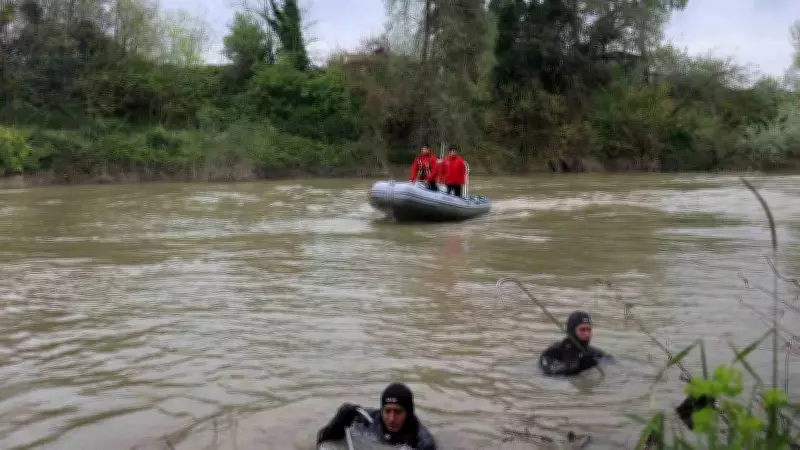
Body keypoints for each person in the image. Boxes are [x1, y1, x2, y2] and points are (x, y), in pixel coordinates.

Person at [316, 382, 437, 449]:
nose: (391, 418)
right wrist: (338, 421)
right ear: (381, 410)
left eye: (398, 412)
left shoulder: (422, 442)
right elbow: (322, 441)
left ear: (409, 413)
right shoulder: (366, 419)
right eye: (387, 411)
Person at [539, 311, 613, 376]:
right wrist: (580, 367)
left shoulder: (593, 352)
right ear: (572, 331)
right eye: (582, 330)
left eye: (589, 329)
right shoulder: (553, 351)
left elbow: (613, 365)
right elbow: (548, 373)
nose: (587, 334)